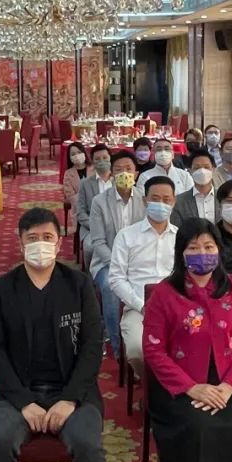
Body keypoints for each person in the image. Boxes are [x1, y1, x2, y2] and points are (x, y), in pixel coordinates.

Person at [0, 208, 107, 462]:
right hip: (16, 393)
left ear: (59, 243)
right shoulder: (1, 289)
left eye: (47, 237)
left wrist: (70, 399)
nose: (41, 243)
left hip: (73, 392)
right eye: (32, 237)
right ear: (21, 242)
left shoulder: (79, 284)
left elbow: (92, 346)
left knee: (88, 445)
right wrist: (24, 402)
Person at [143, 218, 232, 462]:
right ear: (181, 253)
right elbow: (153, 350)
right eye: (193, 248)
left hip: (229, 383)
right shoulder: (164, 293)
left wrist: (228, 386)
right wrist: (192, 388)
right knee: (201, 429)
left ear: (219, 250)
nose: (202, 253)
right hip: (179, 387)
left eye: (209, 247)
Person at [109, 176, 178, 374]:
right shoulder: (127, 235)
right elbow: (116, 278)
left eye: (166, 199)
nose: (161, 204)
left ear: (174, 202)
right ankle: (149, 383)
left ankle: (170, 384)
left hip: (174, 308)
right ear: (144, 200)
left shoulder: (180, 237)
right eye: (155, 199)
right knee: (137, 351)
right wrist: (141, 305)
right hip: (137, 308)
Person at [87, 151, 146, 359]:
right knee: (109, 287)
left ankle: (149, 339)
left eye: (128, 169)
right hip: (107, 261)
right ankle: (117, 344)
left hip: (139, 260)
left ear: (136, 173)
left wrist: (134, 262)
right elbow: (98, 241)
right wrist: (117, 263)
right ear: (111, 173)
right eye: (119, 170)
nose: (124, 174)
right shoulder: (99, 202)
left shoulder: (145, 199)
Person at [74, 143, 113, 251]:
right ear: (92, 162)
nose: (102, 161)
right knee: (90, 247)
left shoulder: (119, 181)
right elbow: (81, 212)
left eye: (105, 158)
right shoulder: (85, 184)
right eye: (97, 159)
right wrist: (95, 226)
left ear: (110, 158)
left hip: (117, 226)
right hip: (92, 228)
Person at [171, 149, 217, 225]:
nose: (202, 171)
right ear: (190, 171)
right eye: (197, 168)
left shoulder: (223, 198)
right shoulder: (179, 202)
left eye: (206, 167)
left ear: (213, 169)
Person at [62, 142, 89, 231]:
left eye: (79, 152)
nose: (77, 156)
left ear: (84, 153)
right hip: (78, 207)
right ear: (70, 158)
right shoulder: (68, 174)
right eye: (73, 154)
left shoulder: (94, 169)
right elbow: (70, 195)